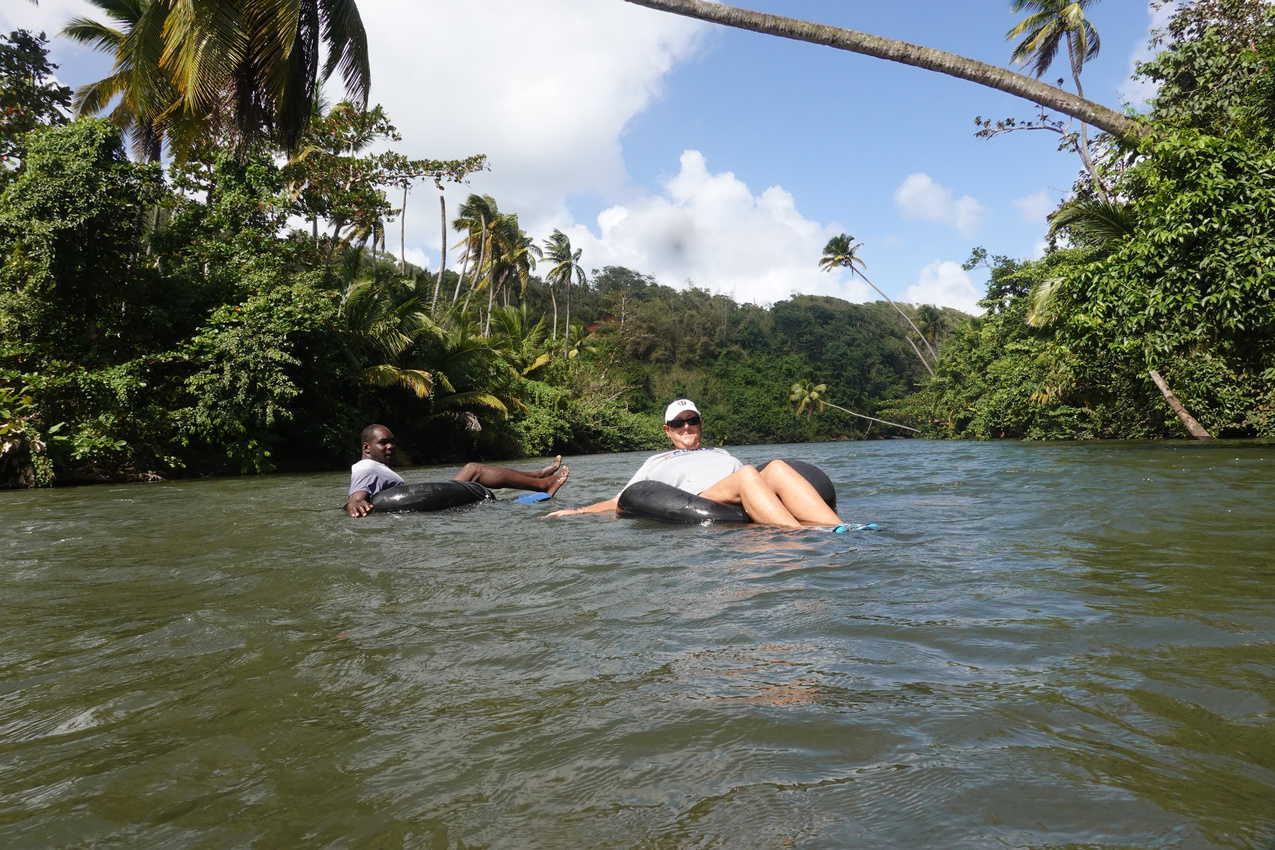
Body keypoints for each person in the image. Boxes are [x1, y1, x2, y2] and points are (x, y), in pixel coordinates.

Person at [545, 399, 842, 528]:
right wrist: (578, 511)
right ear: (667, 429)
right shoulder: (657, 459)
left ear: (700, 423)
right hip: (700, 499)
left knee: (776, 467)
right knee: (748, 474)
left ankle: (839, 528)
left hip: (741, 490)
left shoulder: (722, 455)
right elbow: (622, 499)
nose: (686, 428)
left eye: (692, 421)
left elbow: (756, 484)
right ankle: (798, 535)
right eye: (677, 424)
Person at [345, 424, 569, 517]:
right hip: (427, 504)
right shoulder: (365, 466)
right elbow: (357, 495)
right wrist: (354, 503)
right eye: (383, 443)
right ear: (366, 447)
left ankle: (539, 476)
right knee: (474, 470)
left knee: (473, 469)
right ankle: (541, 482)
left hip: (429, 499)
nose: (390, 446)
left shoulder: (377, 467)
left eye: (392, 442)